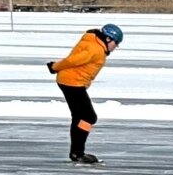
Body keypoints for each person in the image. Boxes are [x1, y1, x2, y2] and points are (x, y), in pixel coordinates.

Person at [47, 24, 123, 165]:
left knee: (80, 117)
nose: (116, 47)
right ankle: (77, 152)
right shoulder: (95, 50)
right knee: (88, 116)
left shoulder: (94, 43)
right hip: (72, 82)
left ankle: (77, 152)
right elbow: (72, 60)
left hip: (72, 82)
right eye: (116, 43)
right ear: (108, 39)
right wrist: (55, 67)